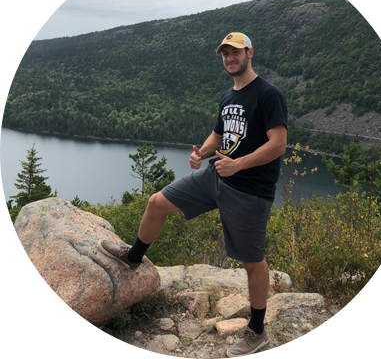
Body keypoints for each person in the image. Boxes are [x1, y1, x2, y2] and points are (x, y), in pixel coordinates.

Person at [98, 32, 288, 357]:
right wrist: (202, 152)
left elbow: (278, 144)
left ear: (250, 53)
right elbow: (220, 133)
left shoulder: (268, 94)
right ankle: (133, 257)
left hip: (249, 190)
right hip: (215, 176)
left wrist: (239, 165)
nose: (230, 58)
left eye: (235, 52)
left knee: (253, 261)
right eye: (225, 54)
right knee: (156, 203)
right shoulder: (229, 96)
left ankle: (257, 330)